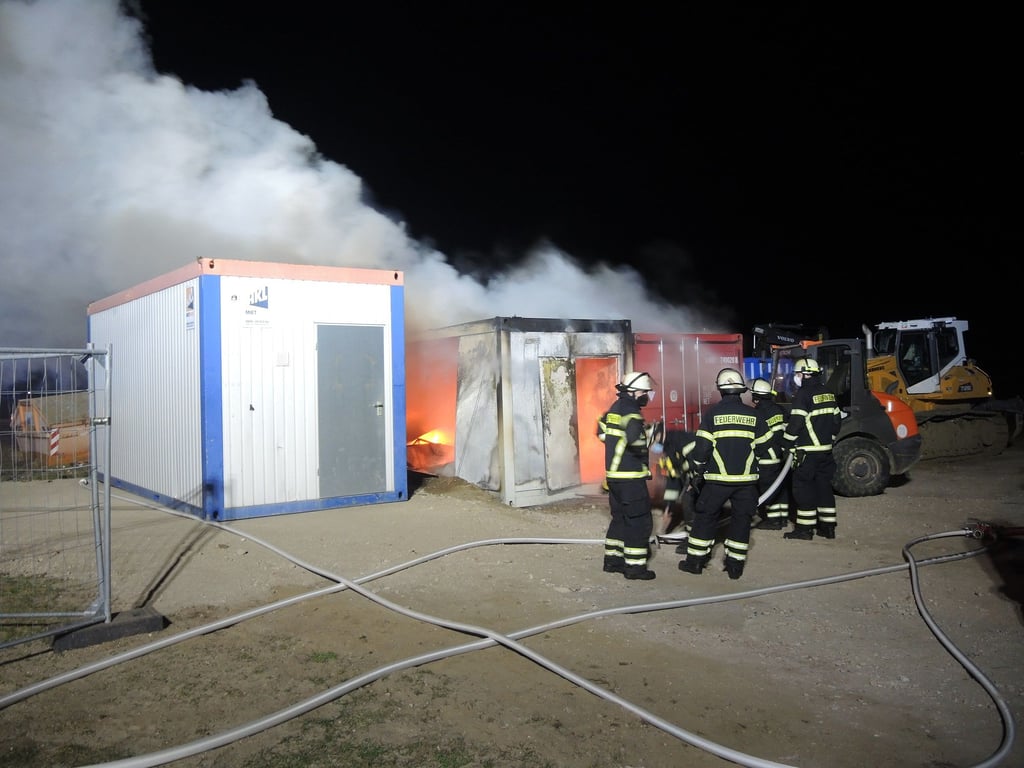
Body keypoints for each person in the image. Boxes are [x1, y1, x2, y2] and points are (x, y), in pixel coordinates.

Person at [679, 368, 772, 579]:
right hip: (746, 482)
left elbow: (701, 450)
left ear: (720, 390)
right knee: (741, 521)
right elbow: (766, 447)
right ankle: (735, 567)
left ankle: (695, 562)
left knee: (705, 518)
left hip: (716, 481)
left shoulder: (712, 415)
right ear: (741, 391)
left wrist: (697, 471)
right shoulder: (754, 415)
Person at [598, 370, 658, 580]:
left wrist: (616, 444)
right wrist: (651, 436)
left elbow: (601, 430)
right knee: (639, 521)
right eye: (643, 391)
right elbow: (635, 440)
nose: (646, 396)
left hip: (614, 477)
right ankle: (635, 567)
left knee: (620, 519)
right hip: (630, 477)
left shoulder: (615, 408)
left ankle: (612, 561)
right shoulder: (632, 412)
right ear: (633, 392)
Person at [782, 357, 843, 540]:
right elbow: (836, 421)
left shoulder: (803, 394)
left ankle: (805, 530)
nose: (797, 377)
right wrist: (829, 440)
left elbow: (796, 424)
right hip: (825, 451)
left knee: (803, 490)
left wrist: (786, 443)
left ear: (805, 374)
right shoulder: (828, 393)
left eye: (798, 374)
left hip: (807, 452)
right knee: (824, 488)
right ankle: (828, 527)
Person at [749, 377, 790, 530]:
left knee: (768, 488)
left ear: (756, 396)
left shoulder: (758, 413)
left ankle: (773, 521)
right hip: (781, 455)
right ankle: (782, 517)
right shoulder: (779, 409)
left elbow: (757, 437)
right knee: (780, 487)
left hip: (766, 457)